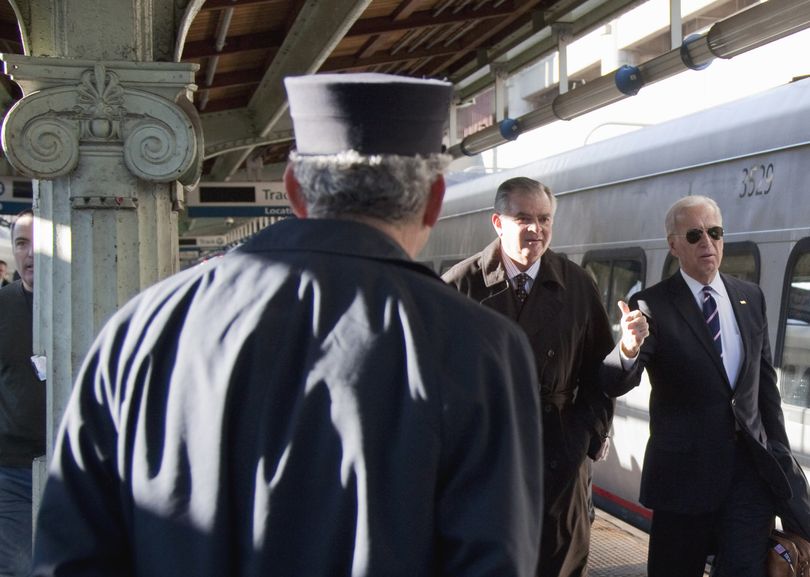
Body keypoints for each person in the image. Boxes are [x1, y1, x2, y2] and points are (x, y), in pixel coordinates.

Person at [32, 73, 544, 577]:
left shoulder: (140, 330)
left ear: (296, 189)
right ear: (433, 199)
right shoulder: (481, 348)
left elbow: (71, 556)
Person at [603, 194, 798, 577]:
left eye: (715, 232)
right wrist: (627, 347)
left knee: (746, 570)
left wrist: (782, 461)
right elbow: (613, 382)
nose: (707, 243)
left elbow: (764, 390)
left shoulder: (750, 297)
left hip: (748, 476)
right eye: (694, 235)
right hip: (683, 478)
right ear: (674, 245)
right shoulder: (651, 305)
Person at [442, 177, 615, 577]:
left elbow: (599, 371)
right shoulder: (459, 285)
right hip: (485, 459)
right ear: (498, 223)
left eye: (544, 218)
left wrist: (587, 434)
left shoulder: (577, 284)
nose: (536, 229)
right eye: (524, 218)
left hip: (560, 453)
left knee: (558, 563)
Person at [0, 209, 45, 577]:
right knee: (20, 569)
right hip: (12, 470)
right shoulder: (2, 307)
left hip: (82, 467)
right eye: (21, 244)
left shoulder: (92, 301)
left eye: (39, 243)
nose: (29, 253)